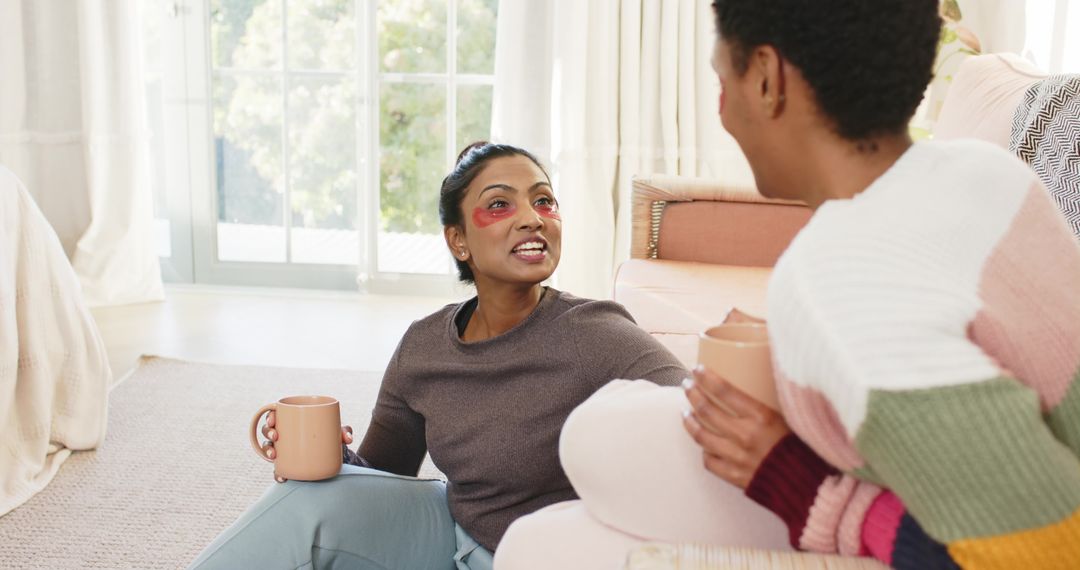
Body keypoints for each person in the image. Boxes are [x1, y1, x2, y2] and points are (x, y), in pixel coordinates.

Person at [496, 1, 1080, 569]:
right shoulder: (983, 170)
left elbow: (1047, 556)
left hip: (971, 532)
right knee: (576, 466)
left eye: (722, 78)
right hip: (952, 485)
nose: (723, 111)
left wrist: (799, 485)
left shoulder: (833, 278)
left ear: (769, 79)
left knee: (540, 536)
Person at [187, 142, 689, 570]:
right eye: (500, 205)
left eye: (544, 201)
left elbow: (694, 410)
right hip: (450, 528)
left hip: (538, 557)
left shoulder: (592, 332)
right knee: (309, 499)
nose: (533, 218)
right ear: (458, 240)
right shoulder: (424, 345)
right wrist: (331, 458)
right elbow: (385, 476)